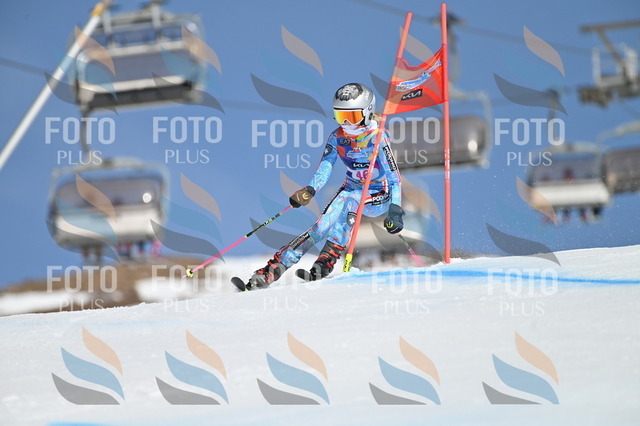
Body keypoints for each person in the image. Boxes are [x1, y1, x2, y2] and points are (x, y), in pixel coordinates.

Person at [244, 83, 405, 289]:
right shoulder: (337, 137)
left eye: (352, 116)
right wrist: (309, 190)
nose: (346, 123)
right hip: (350, 190)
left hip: (378, 194)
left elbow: (394, 178)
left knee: (350, 204)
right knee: (320, 227)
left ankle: (326, 259)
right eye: (341, 116)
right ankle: (273, 269)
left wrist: (395, 209)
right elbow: (325, 168)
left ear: (367, 112)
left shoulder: (378, 137)